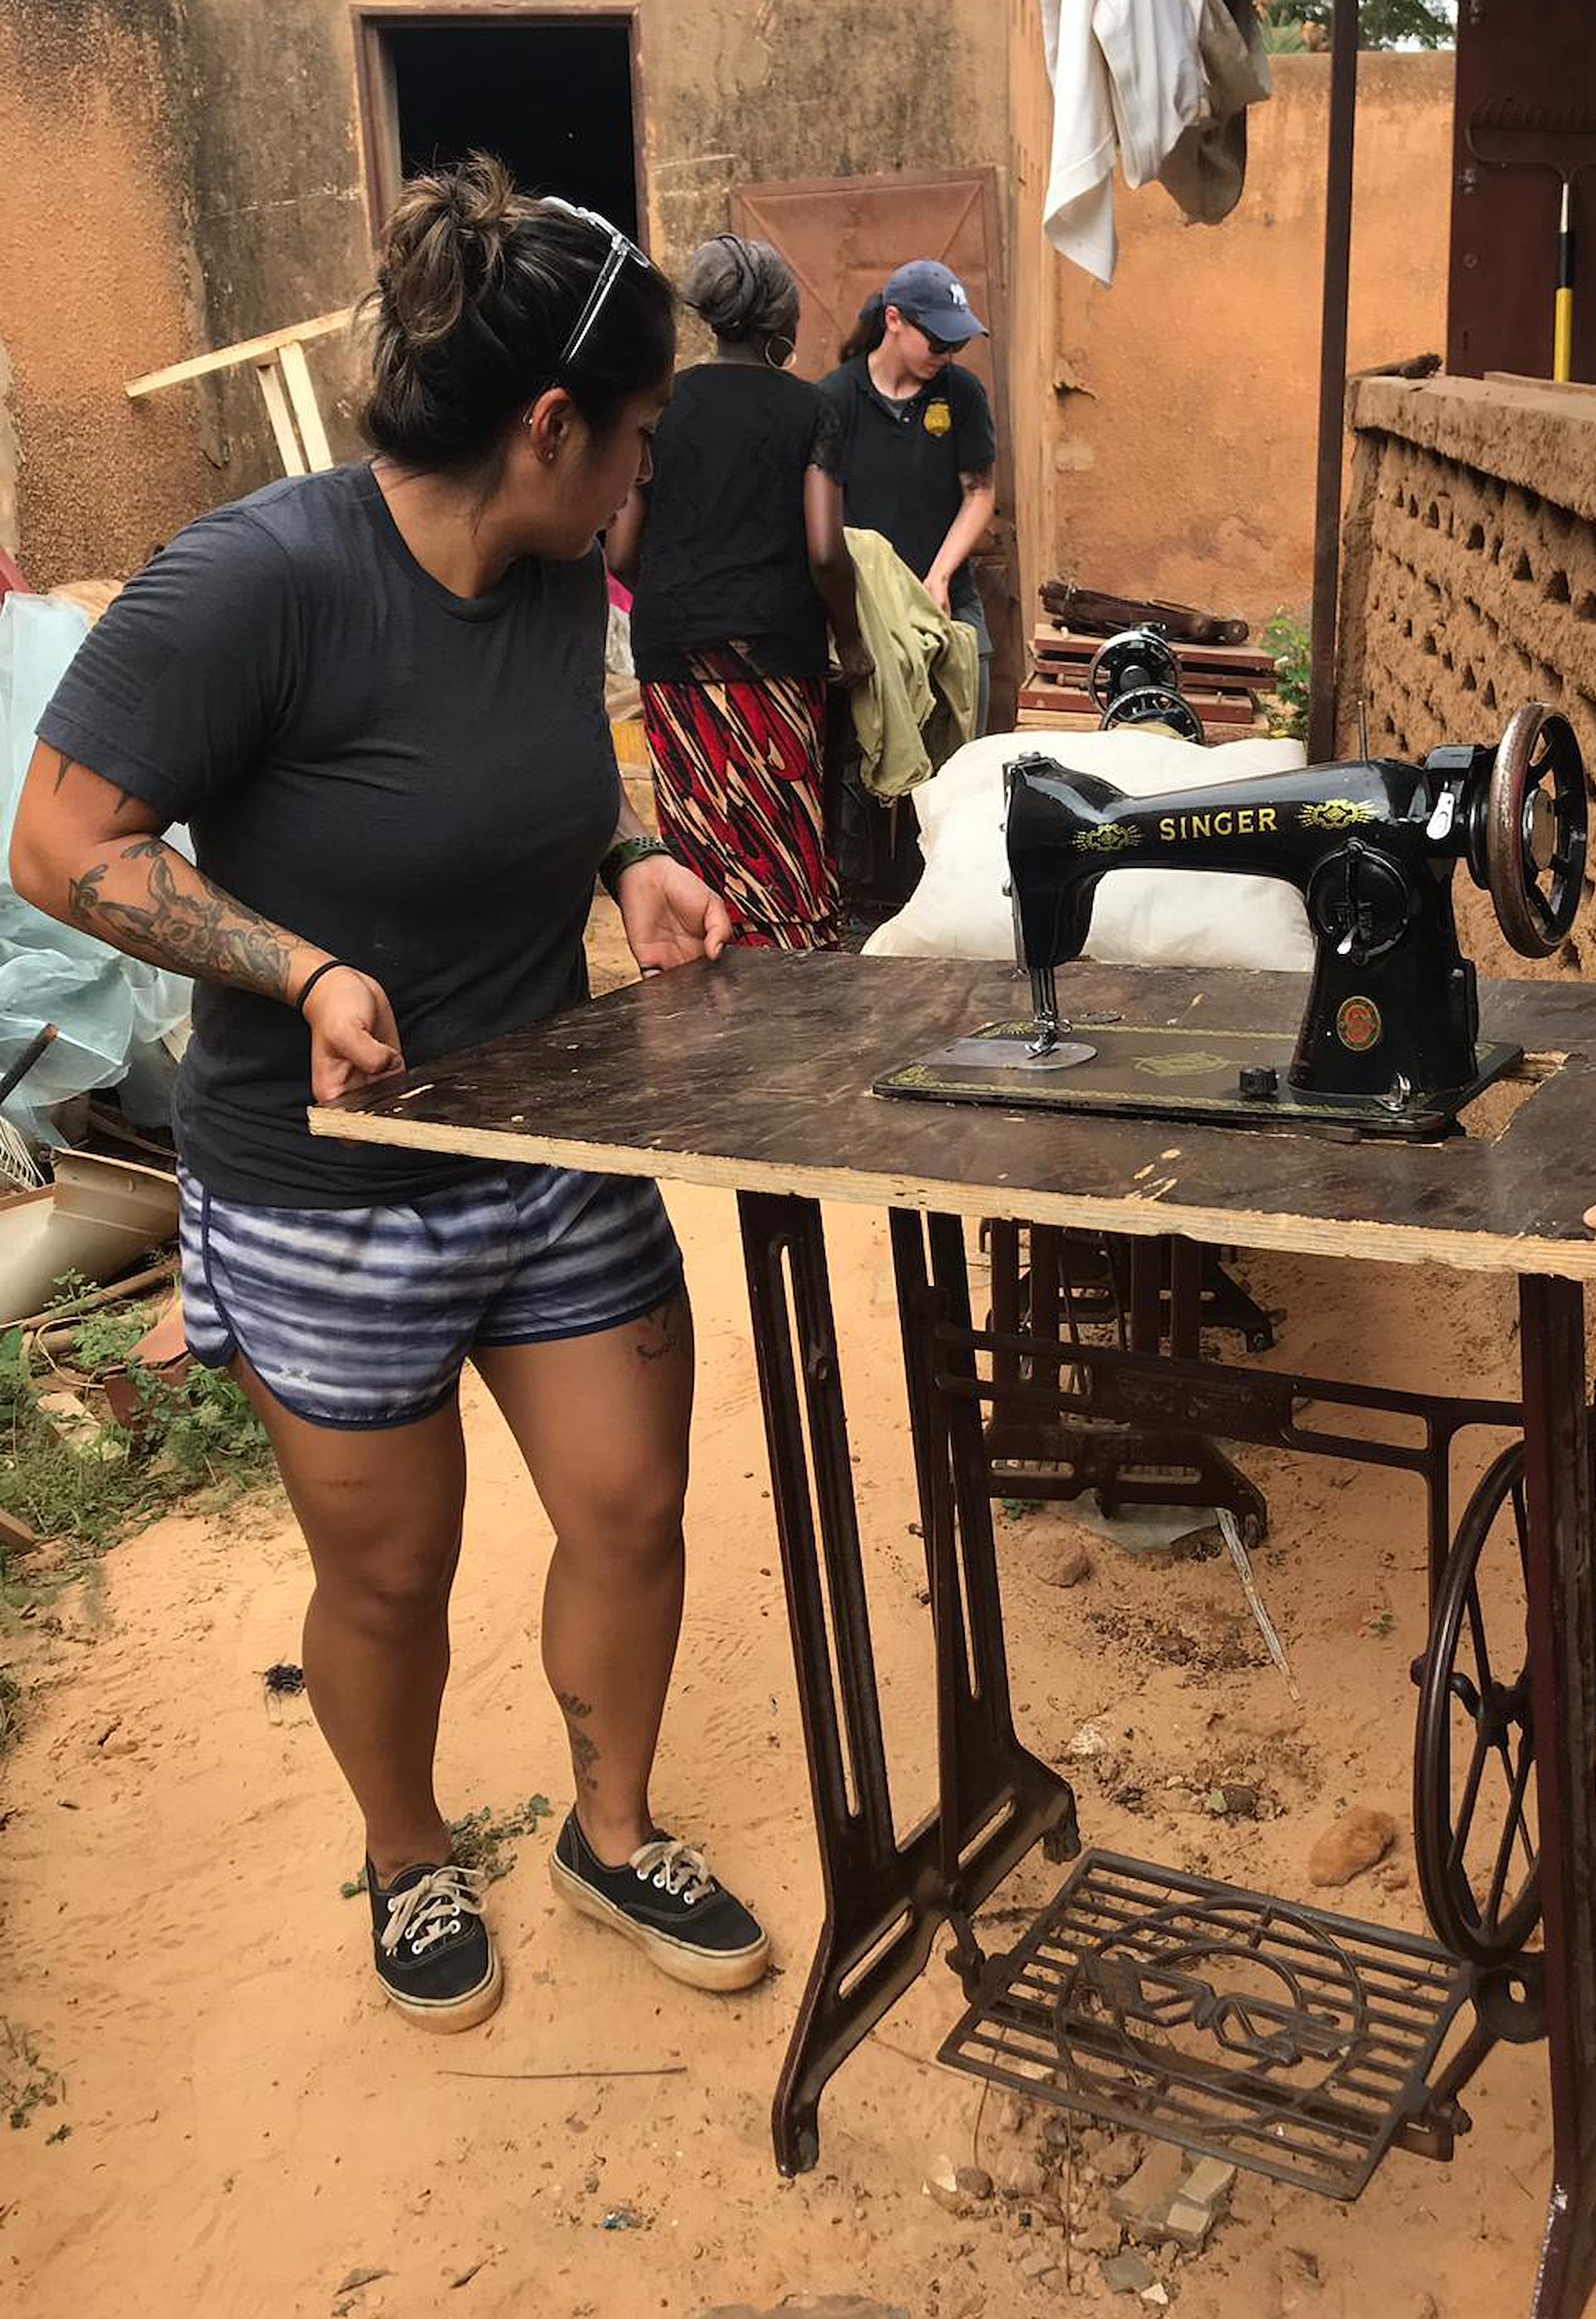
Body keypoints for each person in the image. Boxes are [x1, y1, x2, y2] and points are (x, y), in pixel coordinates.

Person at [10, 154, 772, 2033]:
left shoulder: (546, 568)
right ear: (545, 424)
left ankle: (608, 1828)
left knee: (628, 1506)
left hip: (538, 1133)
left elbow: (547, 768)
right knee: (392, 1573)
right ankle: (411, 1851)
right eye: (641, 434)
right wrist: (302, 967)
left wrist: (628, 862)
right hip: (318, 1185)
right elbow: (57, 844)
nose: (651, 471)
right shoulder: (247, 581)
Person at [606, 234, 870, 951]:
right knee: (782, 839)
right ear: (780, 322)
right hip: (776, 657)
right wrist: (851, 639)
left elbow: (623, 549)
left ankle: (705, 970)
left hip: (674, 661)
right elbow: (824, 549)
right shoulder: (812, 409)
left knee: (701, 836)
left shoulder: (661, 406)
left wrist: (678, 594)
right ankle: (792, 985)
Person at [818, 259, 999, 735]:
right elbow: (823, 519)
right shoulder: (836, 400)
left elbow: (979, 493)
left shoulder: (962, 393)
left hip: (948, 600)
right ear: (894, 321)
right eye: (938, 342)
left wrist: (938, 577)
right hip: (868, 612)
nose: (946, 355)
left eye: (956, 345)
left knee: (963, 757)